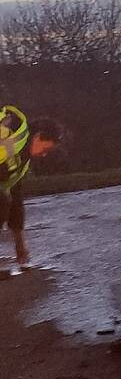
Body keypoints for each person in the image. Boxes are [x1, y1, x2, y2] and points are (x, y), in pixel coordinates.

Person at [0, 106, 64, 265]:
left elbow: (15, 197)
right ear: (37, 137)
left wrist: (20, 244)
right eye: (46, 148)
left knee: (4, 200)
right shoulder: (11, 143)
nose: (44, 154)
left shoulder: (21, 159)